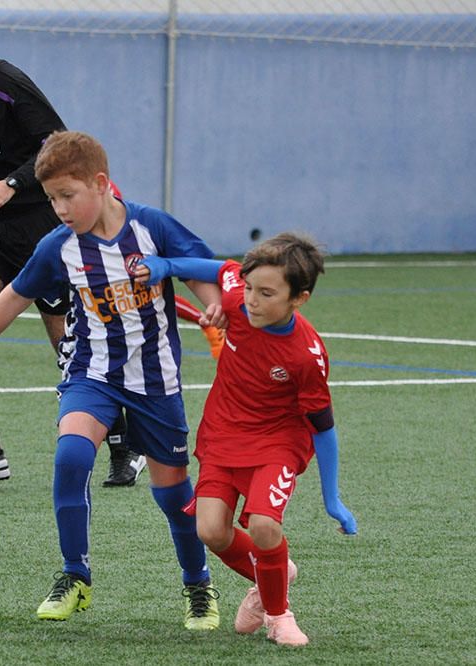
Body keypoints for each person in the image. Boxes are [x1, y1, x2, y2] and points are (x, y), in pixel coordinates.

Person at [0, 130, 223, 629]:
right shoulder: (60, 245)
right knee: (72, 455)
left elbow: (199, 267)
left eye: (67, 196)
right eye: (52, 197)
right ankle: (75, 576)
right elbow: (15, 293)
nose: (59, 208)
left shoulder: (151, 227)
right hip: (91, 372)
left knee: (172, 493)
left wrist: (213, 301)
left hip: (155, 379)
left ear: (101, 184)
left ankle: (197, 584)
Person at [0, 0, 139, 485]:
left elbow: (59, 144)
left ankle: (123, 445)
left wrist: (12, 184)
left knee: (70, 341)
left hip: (41, 223)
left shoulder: (12, 86)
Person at [135, 232, 358, 646]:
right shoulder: (239, 298)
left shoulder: (306, 355)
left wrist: (333, 498)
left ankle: (278, 615)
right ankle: (271, 574)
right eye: (251, 288)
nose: (252, 300)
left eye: (267, 293)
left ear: (299, 298)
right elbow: (217, 269)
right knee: (210, 531)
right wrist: (165, 266)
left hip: (278, 442)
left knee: (263, 526)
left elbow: (322, 426)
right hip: (223, 434)